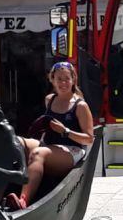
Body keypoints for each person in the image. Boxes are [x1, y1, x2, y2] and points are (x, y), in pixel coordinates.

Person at [17, 61, 94, 207]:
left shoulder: (80, 106)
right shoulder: (49, 99)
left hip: (73, 150)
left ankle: (23, 200)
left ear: (73, 80)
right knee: (16, 142)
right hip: (51, 145)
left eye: (67, 78)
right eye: (59, 79)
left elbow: (89, 139)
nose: (63, 82)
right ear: (52, 79)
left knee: (38, 153)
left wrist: (65, 131)